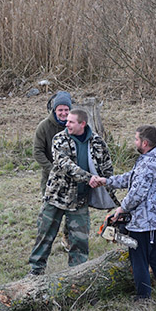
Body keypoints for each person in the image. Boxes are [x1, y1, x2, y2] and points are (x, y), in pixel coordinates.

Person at [90, 125, 156, 303]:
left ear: (145, 142)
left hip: (147, 221)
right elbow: (131, 178)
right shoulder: (150, 159)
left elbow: (136, 194)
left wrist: (121, 209)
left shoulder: (149, 164)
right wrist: (107, 181)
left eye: (136, 139)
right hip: (154, 220)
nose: (134, 142)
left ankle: (144, 296)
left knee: (140, 258)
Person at [28, 108, 113, 275]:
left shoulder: (97, 142)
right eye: (66, 121)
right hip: (56, 197)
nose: (66, 124)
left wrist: (109, 193)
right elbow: (65, 164)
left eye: (71, 121)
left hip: (80, 200)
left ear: (82, 124)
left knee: (80, 241)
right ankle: (36, 271)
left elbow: (107, 168)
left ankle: (77, 275)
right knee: (44, 235)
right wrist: (89, 178)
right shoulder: (59, 139)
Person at [33, 91, 73, 251]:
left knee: (72, 211)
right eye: (60, 110)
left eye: (66, 110)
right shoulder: (43, 127)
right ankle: (43, 244)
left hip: (72, 178)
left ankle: (68, 238)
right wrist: (53, 170)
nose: (63, 113)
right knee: (49, 212)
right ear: (54, 110)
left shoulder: (76, 125)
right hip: (51, 178)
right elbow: (37, 152)